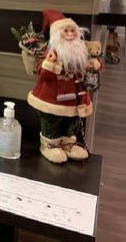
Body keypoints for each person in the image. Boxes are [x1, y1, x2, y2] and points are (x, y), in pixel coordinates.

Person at [27, 10, 102, 164]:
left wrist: (95, 64)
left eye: (72, 30)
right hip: (52, 98)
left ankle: (69, 144)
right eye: (65, 31)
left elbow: (94, 66)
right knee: (51, 122)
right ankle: (49, 145)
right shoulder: (52, 53)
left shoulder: (81, 51)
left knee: (72, 122)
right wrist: (50, 63)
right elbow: (41, 72)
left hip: (75, 99)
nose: (69, 34)